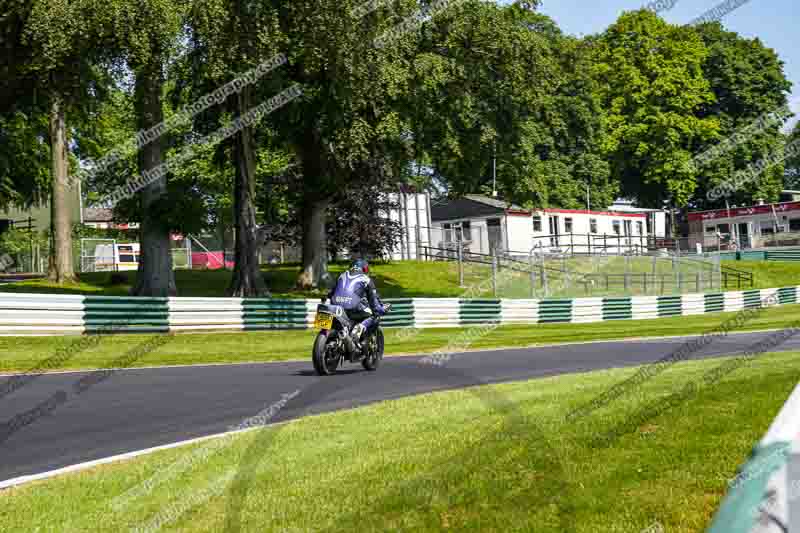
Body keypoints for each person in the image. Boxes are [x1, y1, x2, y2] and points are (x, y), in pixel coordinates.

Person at [325, 259, 388, 348]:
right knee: (375, 315)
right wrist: (381, 310)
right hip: (352, 309)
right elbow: (374, 303)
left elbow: (330, 293)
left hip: (335, 306)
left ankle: (343, 335)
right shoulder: (366, 279)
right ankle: (360, 327)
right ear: (365, 269)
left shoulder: (341, 275)